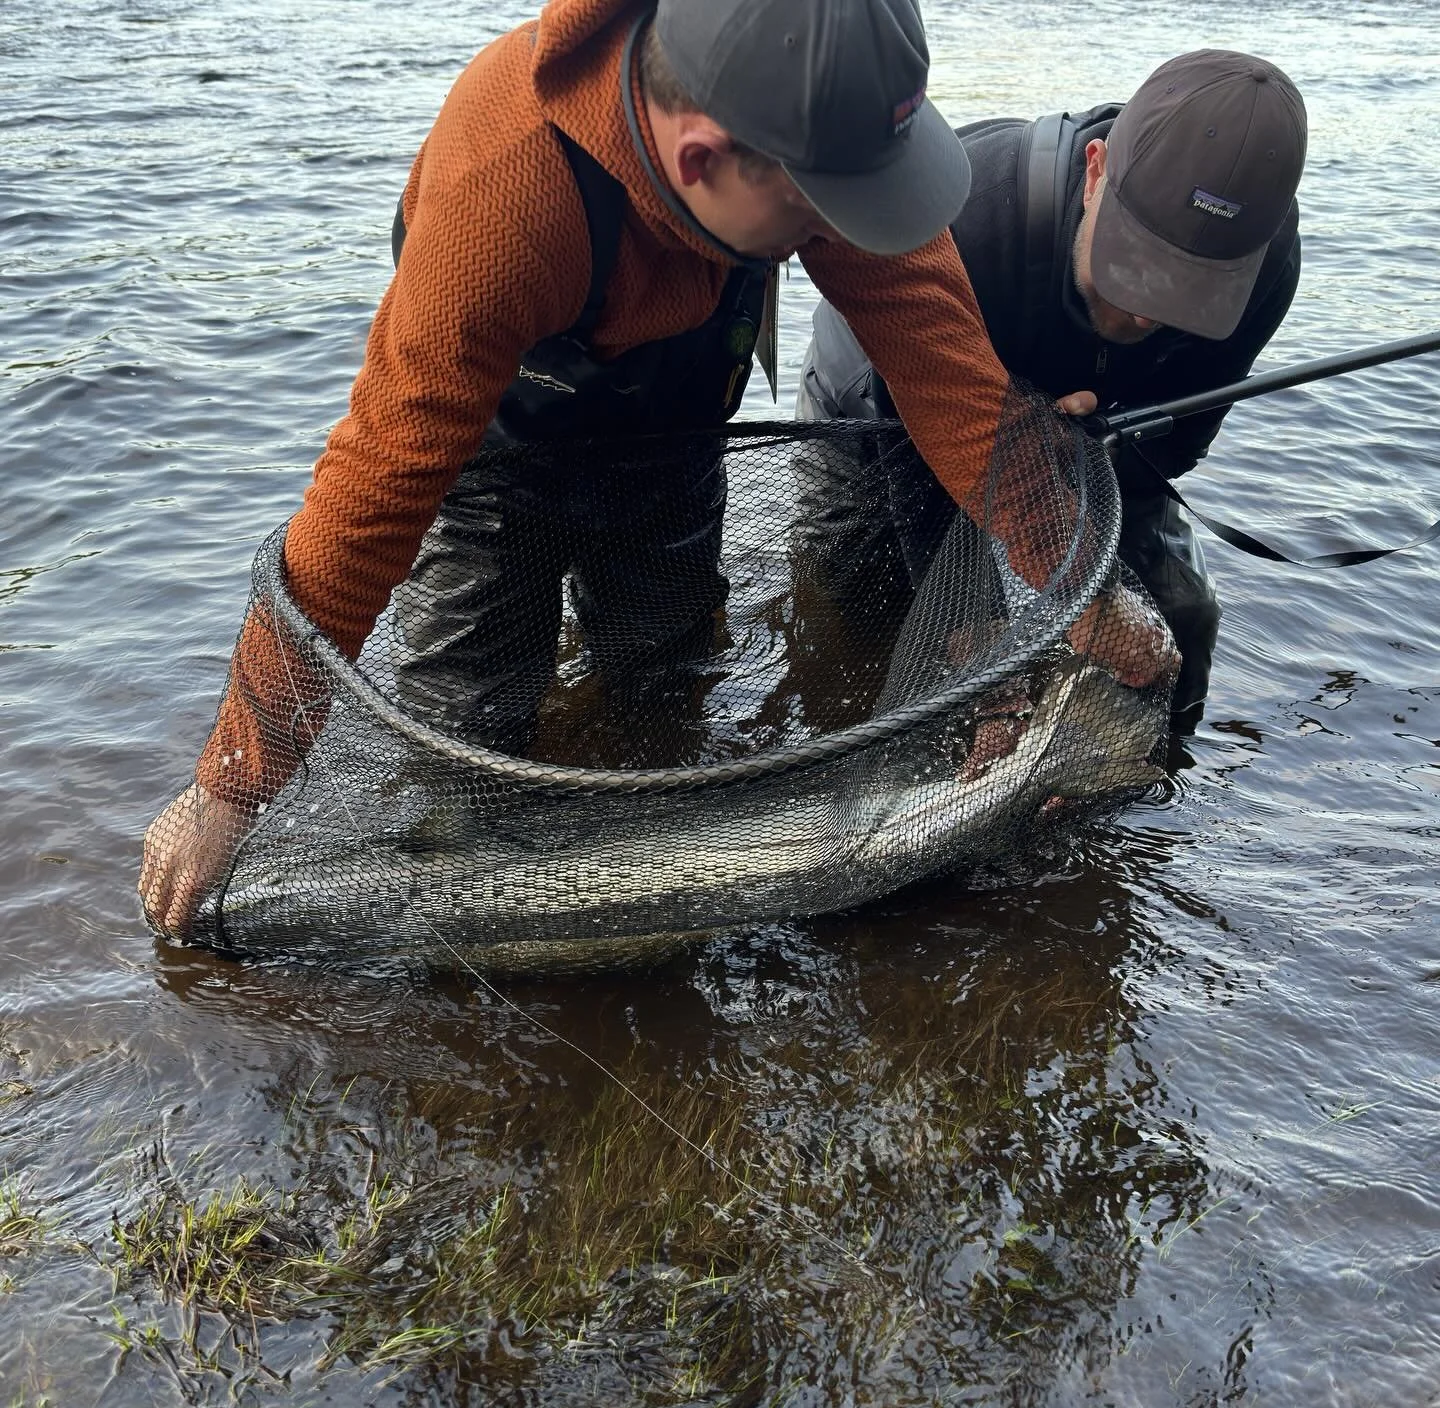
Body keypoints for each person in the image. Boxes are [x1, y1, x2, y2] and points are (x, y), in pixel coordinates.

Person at [140, 0, 1174, 941]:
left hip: (675, 424)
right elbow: (371, 495)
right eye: (821, 210)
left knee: (664, 675)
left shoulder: (823, 126)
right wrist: (233, 786)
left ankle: (654, 920)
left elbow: (955, 381)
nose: (851, 229)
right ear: (701, 157)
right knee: (471, 717)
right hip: (496, 445)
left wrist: (1082, 594)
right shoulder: (505, 196)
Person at [795, 49, 1307, 735]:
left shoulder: (1268, 271)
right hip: (879, 406)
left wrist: (1077, 473)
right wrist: (972, 639)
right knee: (860, 617)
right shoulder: (974, 212)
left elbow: (1176, 450)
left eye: (1195, 294)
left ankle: (1146, 787)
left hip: (1096, 435)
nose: (1147, 314)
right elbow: (913, 455)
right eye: (1135, 265)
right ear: (1096, 172)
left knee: (1182, 615)